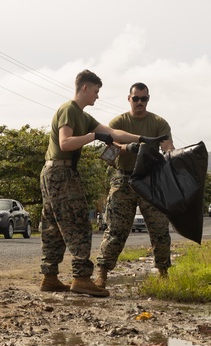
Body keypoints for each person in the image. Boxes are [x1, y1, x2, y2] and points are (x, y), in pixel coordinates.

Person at [39, 69, 146, 298]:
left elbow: (113, 132)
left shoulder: (84, 116)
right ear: (85, 88)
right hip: (61, 172)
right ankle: (81, 278)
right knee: (78, 224)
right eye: (96, 91)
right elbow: (65, 143)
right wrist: (93, 137)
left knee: (53, 227)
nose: (97, 96)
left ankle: (49, 277)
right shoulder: (69, 110)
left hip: (54, 171)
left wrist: (142, 139)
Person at [94, 83, 176, 289]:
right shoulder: (119, 121)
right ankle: (102, 273)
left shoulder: (158, 123)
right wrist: (126, 148)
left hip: (150, 180)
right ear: (128, 99)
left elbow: (167, 147)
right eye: (136, 98)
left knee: (159, 229)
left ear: (148, 99)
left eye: (144, 99)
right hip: (124, 179)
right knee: (115, 229)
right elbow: (110, 147)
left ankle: (164, 274)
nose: (140, 102)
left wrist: (171, 154)